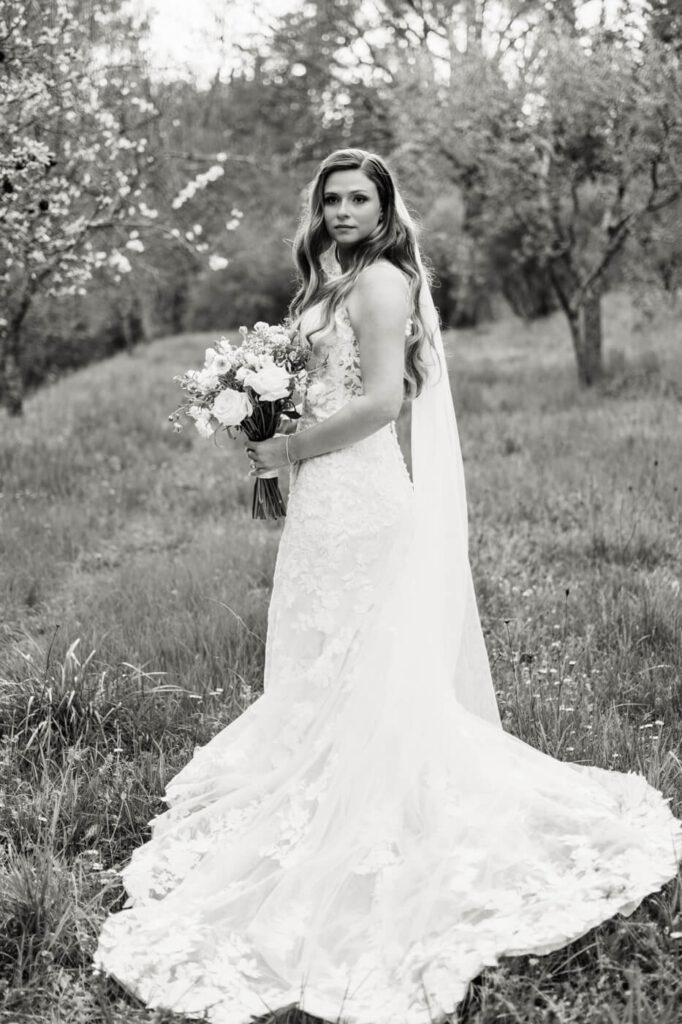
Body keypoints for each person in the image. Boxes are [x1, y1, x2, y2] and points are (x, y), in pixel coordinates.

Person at [93, 149, 682, 1024]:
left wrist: (286, 449)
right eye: (330, 197)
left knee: (361, 659)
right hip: (327, 497)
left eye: (357, 197)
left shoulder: (380, 285)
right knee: (325, 654)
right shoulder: (334, 279)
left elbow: (379, 404)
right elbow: (315, 388)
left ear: (383, 204)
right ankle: (324, 789)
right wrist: (265, 420)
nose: (339, 209)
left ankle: (368, 814)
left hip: (361, 495)